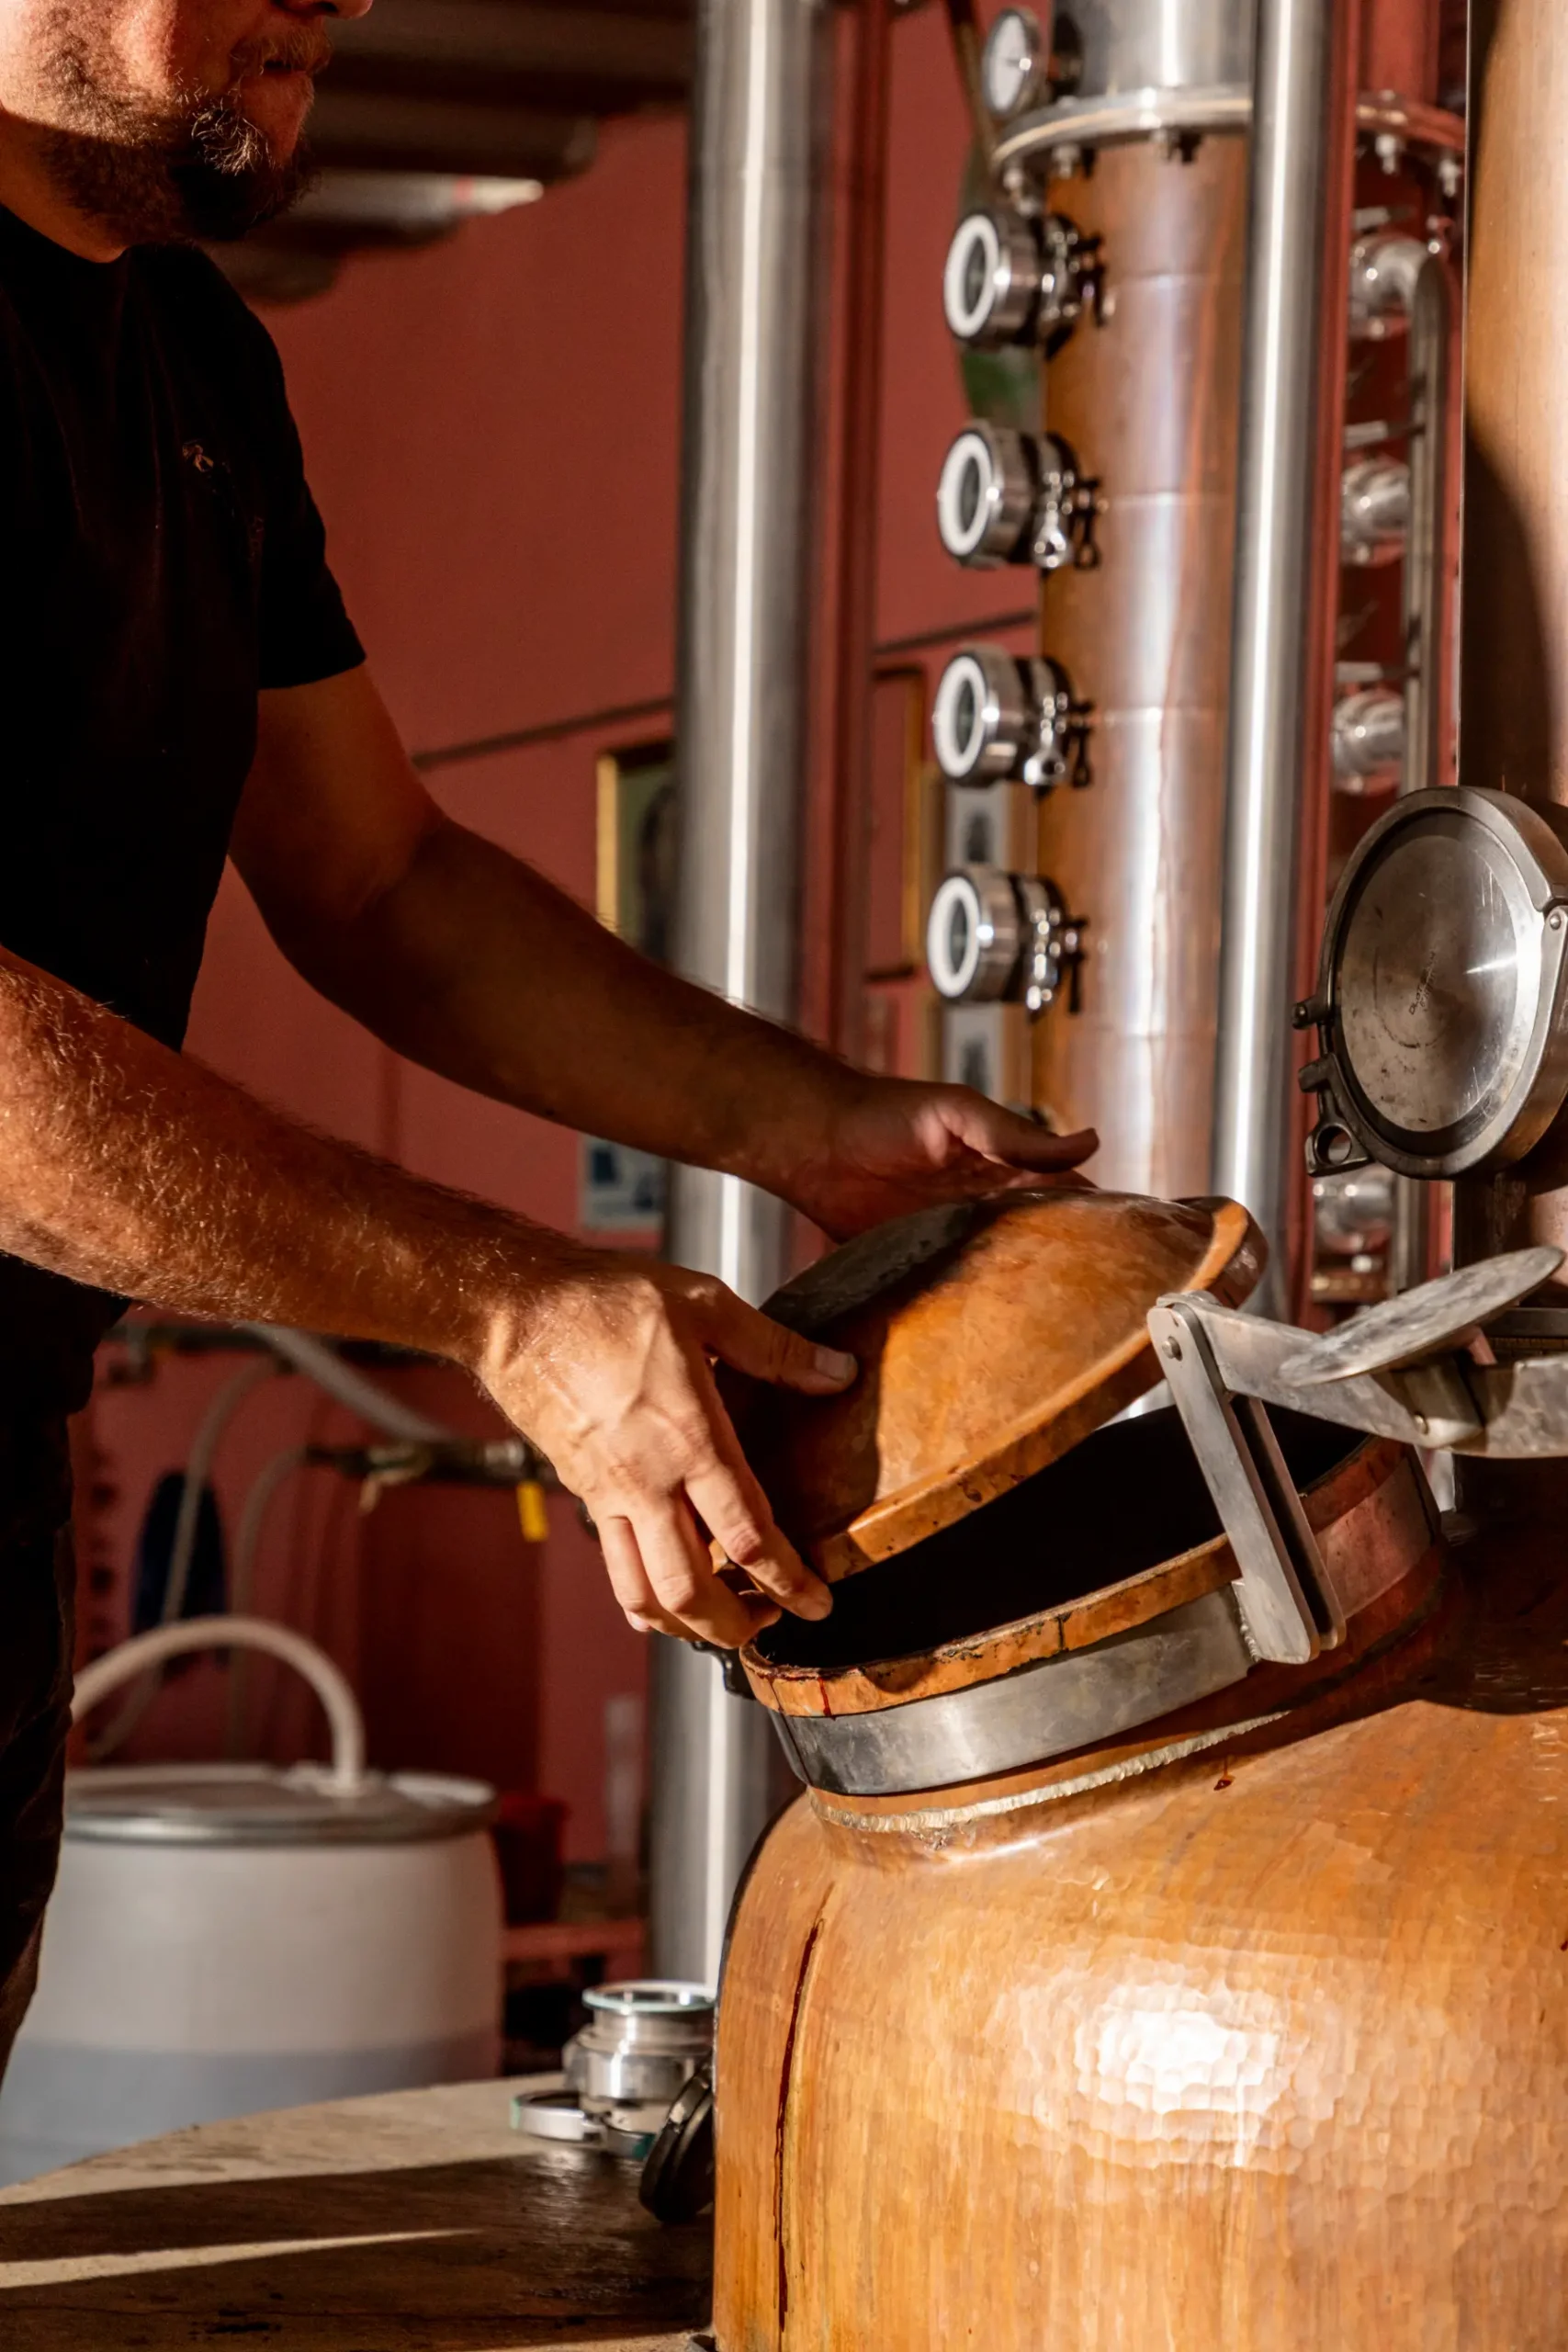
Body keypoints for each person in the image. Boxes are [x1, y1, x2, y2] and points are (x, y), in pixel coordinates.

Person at [0, 0, 1096, 2070]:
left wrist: (810, 1122)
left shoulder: (195, 362)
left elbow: (380, 878)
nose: (332, 2)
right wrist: (509, 1306)